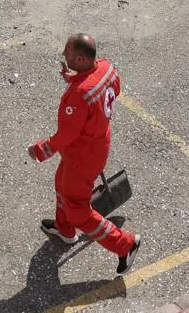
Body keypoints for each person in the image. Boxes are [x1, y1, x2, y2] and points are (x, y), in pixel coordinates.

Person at [28, 34, 141, 275]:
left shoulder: (78, 95)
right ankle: (64, 229)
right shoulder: (107, 68)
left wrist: (40, 149)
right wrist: (77, 77)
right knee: (62, 182)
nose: (63, 55)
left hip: (82, 156)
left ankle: (125, 244)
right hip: (96, 145)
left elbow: (66, 135)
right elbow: (111, 90)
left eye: (67, 53)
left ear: (79, 58)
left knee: (79, 210)